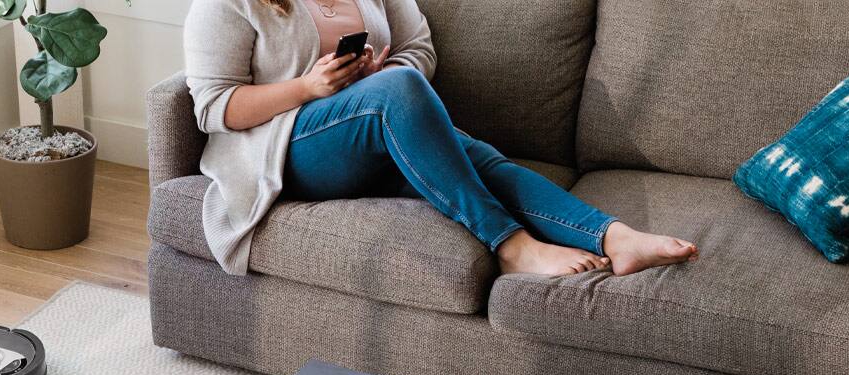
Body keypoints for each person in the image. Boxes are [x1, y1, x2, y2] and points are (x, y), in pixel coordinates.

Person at [182, 0, 698, 276]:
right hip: (284, 152)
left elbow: (418, 49)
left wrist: (372, 80)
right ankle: (512, 244)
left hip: (367, 134)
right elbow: (214, 107)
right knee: (401, 95)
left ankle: (615, 239)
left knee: (475, 159)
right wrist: (307, 87)